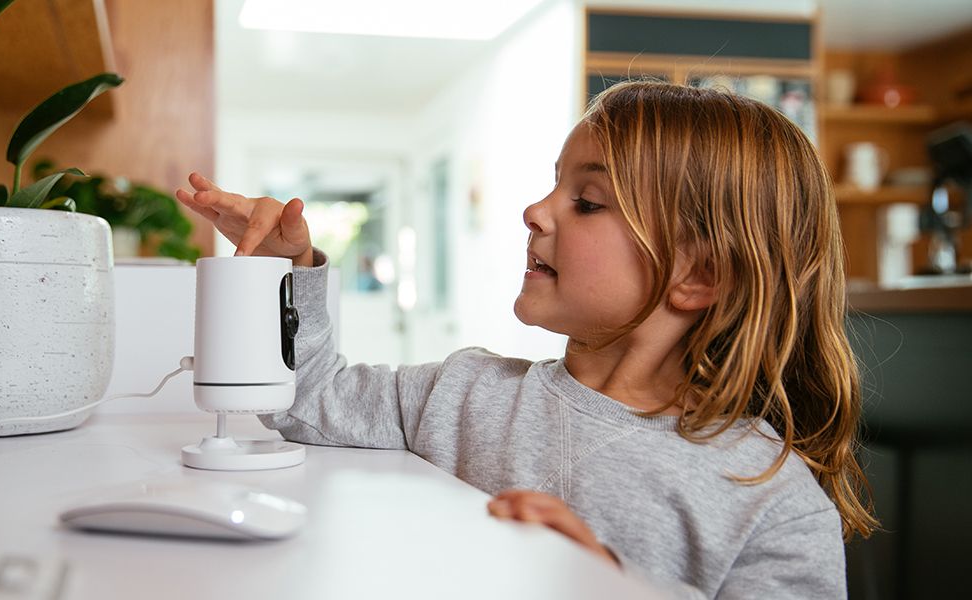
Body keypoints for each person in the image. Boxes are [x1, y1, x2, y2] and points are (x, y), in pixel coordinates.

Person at [176, 81, 877, 598]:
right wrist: (286, 268)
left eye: (587, 201)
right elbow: (308, 398)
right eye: (554, 186)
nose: (535, 211)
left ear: (697, 274)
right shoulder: (461, 393)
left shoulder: (770, 500)